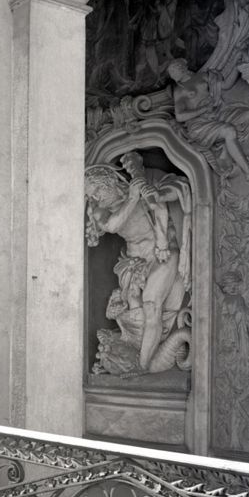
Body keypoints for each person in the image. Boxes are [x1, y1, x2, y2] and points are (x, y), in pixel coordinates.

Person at [85, 160, 189, 373]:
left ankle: (143, 366)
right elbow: (112, 225)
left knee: (152, 305)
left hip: (163, 255)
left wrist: (161, 241)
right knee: (135, 314)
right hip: (132, 263)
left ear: (109, 183)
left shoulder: (143, 187)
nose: (95, 198)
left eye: (97, 192)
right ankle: (143, 358)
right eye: (91, 195)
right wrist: (133, 197)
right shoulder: (99, 211)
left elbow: (159, 207)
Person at [166, 57, 249, 180]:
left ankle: (227, 148)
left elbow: (225, 85)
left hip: (216, 114)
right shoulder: (179, 90)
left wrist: (237, 66)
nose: (172, 74)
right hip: (199, 125)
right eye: (171, 72)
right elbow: (180, 116)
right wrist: (202, 110)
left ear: (182, 67)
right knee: (229, 130)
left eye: (173, 70)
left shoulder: (203, 76)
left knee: (246, 114)